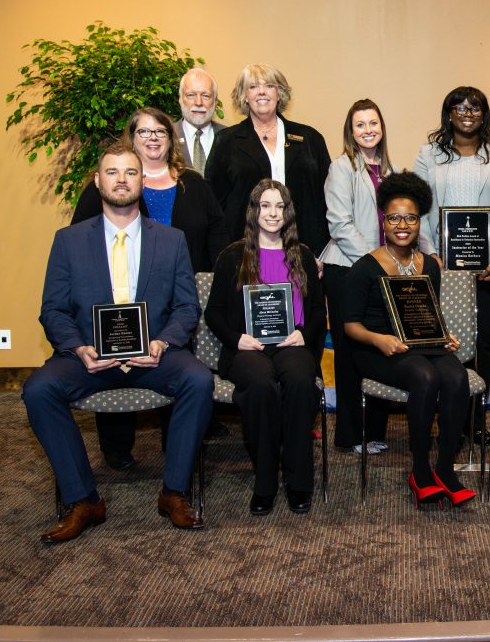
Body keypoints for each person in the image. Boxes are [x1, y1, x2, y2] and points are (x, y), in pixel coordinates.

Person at [23, 142, 213, 544]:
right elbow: (52, 310)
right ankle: (83, 499)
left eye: (131, 172)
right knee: (39, 390)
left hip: (154, 355)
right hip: (89, 357)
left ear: (143, 182)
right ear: (98, 181)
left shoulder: (171, 239)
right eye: (112, 172)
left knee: (198, 381)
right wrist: (78, 348)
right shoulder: (68, 241)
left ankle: (173, 492)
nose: (122, 180)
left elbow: (186, 308)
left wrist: (163, 342)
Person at [72, 107, 229, 470]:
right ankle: (116, 448)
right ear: (132, 137)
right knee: (114, 365)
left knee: (177, 365)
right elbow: (81, 237)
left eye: (160, 130)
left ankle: (177, 448)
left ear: (170, 138)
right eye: (143, 132)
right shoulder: (112, 184)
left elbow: (218, 235)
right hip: (118, 296)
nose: (153, 137)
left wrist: (213, 283)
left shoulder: (194, 183)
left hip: (178, 296)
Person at [343, 172, 476, 507]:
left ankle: (445, 469)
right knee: (424, 375)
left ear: (420, 222)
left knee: (457, 376)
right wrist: (379, 339)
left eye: (411, 218)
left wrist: (445, 335)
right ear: (383, 221)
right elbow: (349, 326)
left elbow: (428, 313)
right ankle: (419, 470)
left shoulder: (428, 265)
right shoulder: (364, 267)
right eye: (394, 217)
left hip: (421, 345)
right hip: (376, 350)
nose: (402, 224)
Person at [205, 180, 326, 516]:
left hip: (292, 344)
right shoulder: (233, 256)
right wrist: (236, 338)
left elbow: (318, 313)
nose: (273, 214)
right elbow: (213, 313)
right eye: (266, 206)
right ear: (254, 210)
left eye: (280, 206)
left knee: (301, 383)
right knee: (260, 387)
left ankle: (299, 479)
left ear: (288, 212)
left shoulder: (302, 255)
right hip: (248, 347)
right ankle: (266, 481)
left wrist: (304, 334)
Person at [414, 86, 490, 444]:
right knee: (441, 341)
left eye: (474, 107)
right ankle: (445, 413)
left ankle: (474, 418)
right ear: (448, 113)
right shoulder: (428, 155)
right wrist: (432, 255)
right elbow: (421, 208)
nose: (467, 113)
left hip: (486, 266)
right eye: (458, 107)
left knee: (484, 341)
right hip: (441, 266)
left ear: (483, 114)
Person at [319, 99, 397, 455]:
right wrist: (376, 261)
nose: (368, 130)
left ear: (382, 127)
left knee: (379, 350)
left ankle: (376, 432)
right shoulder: (341, 168)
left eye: (373, 123)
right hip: (348, 271)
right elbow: (339, 223)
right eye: (360, 125)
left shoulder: (392, 172)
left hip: (385, 273)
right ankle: (350, 435)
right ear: (350, 132)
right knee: (349, 355)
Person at [206, 63, 332, 255]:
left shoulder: (309, 138)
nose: (262, 92)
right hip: (246, 251)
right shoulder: (227, 141)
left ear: (279, 93)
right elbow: (214, 205)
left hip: (305, 248)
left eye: (269, 86)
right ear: (244, 96)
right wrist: (225, 255)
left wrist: (322, 251)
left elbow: (327, 200)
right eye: (253, 87)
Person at [176, 68, 226, 174]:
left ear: (215, 101)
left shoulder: (230, 138)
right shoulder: (166, 136)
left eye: (205, 96)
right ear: (180, 99)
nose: (198, 102)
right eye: (191, 95)